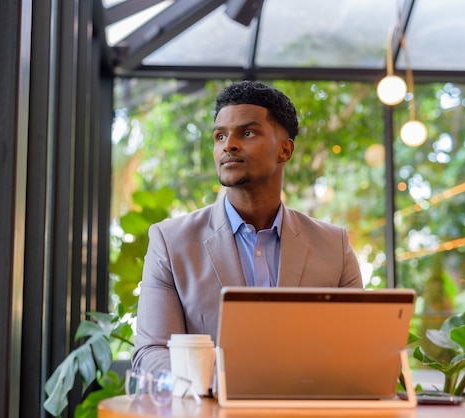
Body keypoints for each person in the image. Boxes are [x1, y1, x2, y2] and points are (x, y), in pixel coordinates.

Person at [132, 80, 362, 373]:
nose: (228, 145)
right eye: (219, 136)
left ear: (285, 150)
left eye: (248, 132)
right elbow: (152, 353)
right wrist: (229, 383)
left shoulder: (334, 246)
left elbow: (356, 350)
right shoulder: (170, 241)